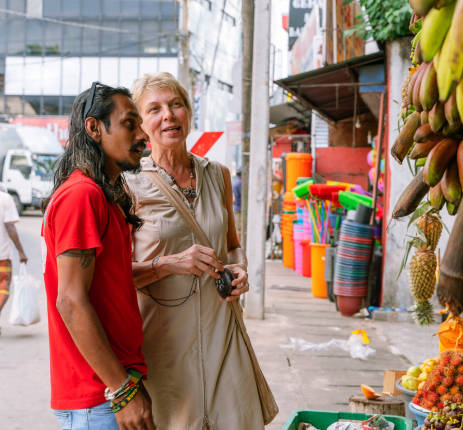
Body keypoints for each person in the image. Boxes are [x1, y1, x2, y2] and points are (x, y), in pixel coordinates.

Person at [125, 72, 276, 429]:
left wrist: (239, 271)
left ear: (189, 112)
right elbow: (114, 274)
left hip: (222, 333)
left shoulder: (218, 174)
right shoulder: (128, 184)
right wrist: (168, 264)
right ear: (141, 124)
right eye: (155, 109)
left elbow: (232, 246)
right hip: (162, 344)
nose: (169, 115)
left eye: (176, 104)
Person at [41, 82, 155, 430]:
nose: (142, 136)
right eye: (129, 124)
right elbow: (71, 302)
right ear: (94, 127)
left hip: (111, 387)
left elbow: (109, 283)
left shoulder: (103, 196)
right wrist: (121, 390)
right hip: (98, 397)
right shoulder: (81, 196)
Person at [0, 186, 28, 328]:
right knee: (3, 286)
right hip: (2, 255)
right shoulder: (5, 198)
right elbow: (10, 226)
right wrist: (21, 251)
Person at [232, 169, 242, 237]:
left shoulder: (235, 182)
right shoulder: (240, 183)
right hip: (240, 208)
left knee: (238, 227)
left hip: (236, 207)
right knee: (239, 228)